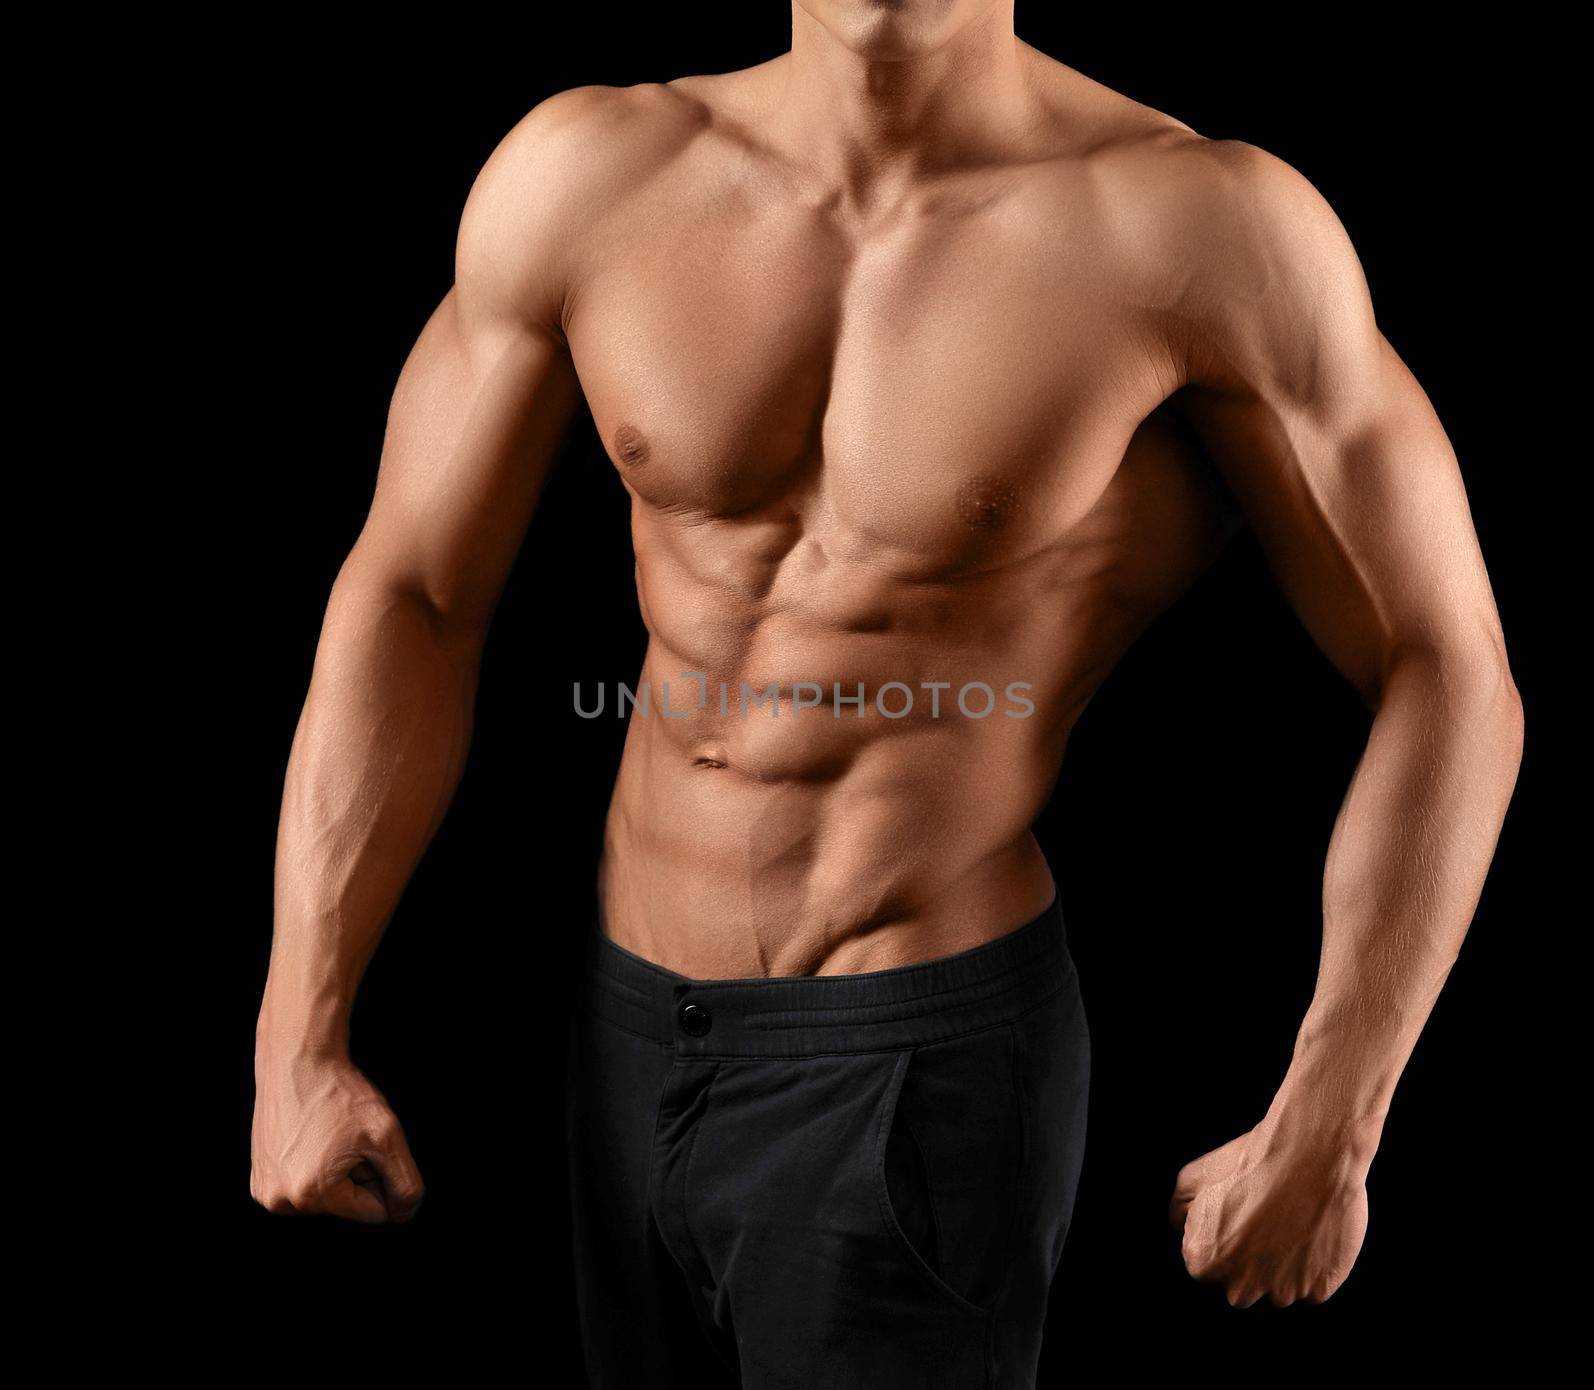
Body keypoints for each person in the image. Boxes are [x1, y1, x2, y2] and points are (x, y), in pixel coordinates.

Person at [250, 3, 1523, 1384]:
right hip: (616, 1036)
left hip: (913, 1065)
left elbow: (1449, 663)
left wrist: (1332, 1117)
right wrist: (297, 1031)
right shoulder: (590, 174)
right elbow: (414, 594)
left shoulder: (1199, 232)